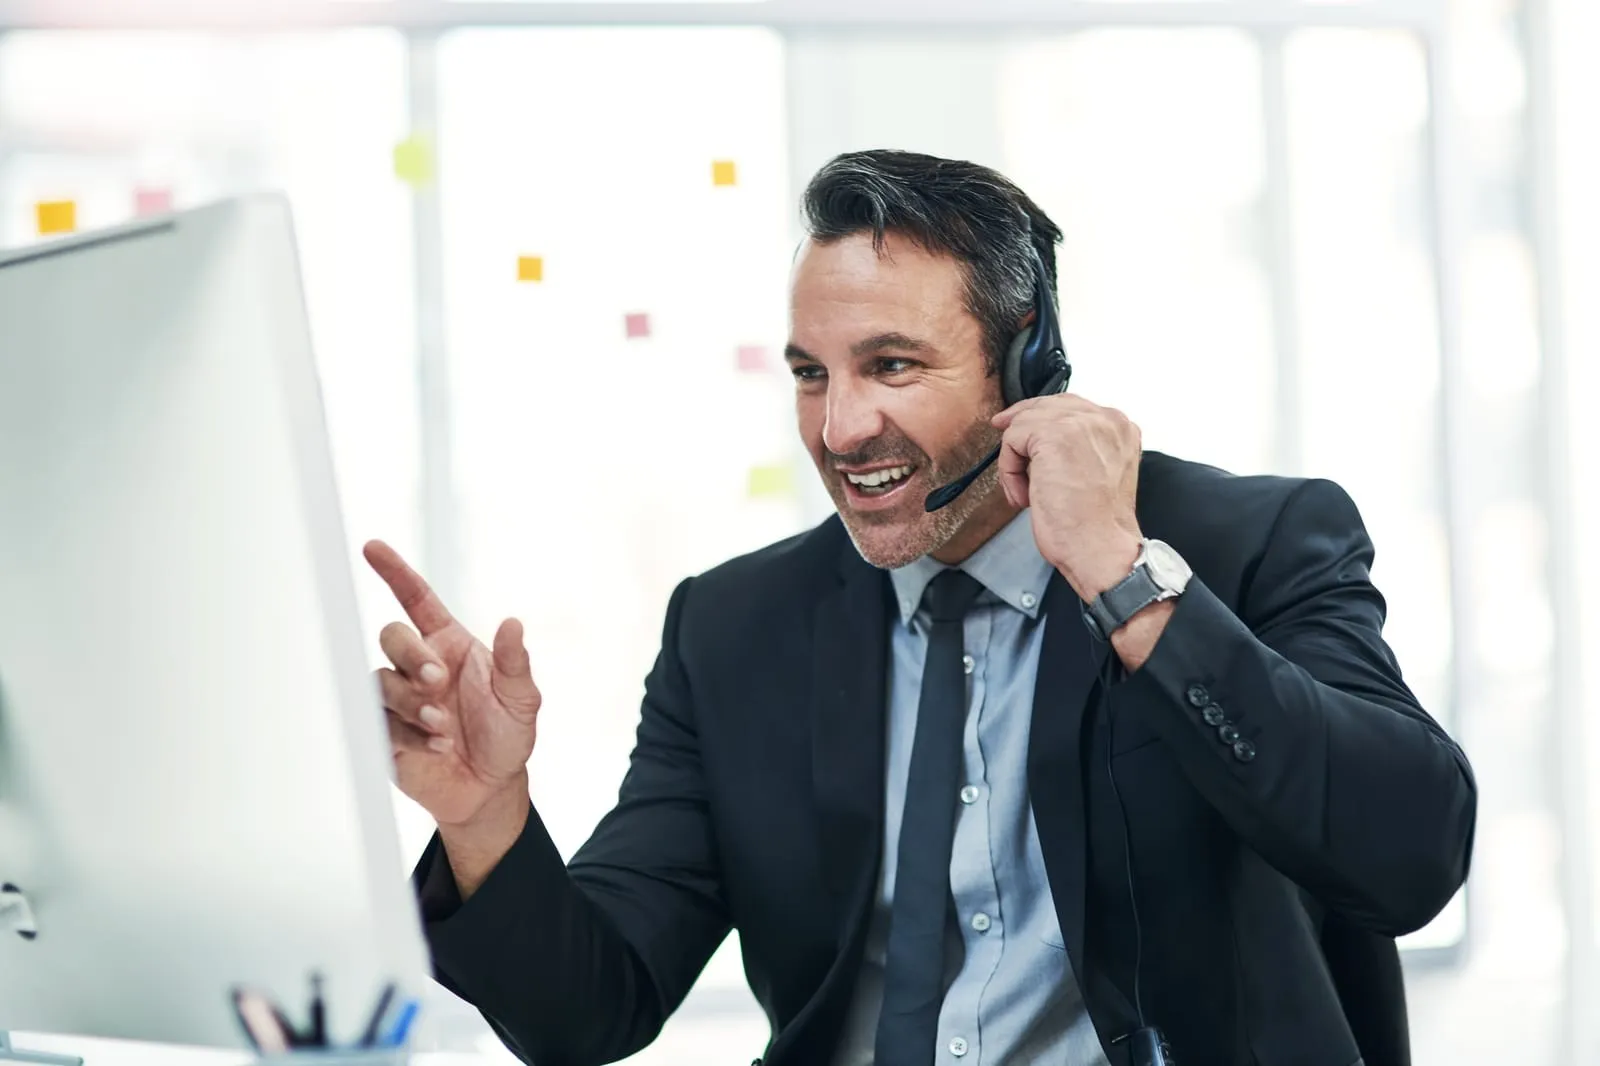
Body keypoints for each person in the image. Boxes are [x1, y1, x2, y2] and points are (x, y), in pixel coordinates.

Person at [365, 149, 1476, 1066]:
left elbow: (1409, 854)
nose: (840, 429)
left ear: (1025, 360)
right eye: (812, 373)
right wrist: (482, 816)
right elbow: (587, 1010)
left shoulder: (1250, 544)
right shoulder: (735, 628)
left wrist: (1123, 577)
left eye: (890, 366)